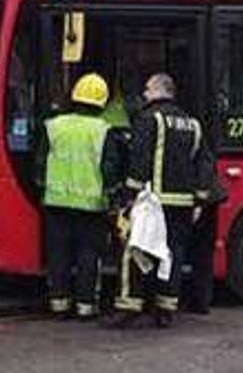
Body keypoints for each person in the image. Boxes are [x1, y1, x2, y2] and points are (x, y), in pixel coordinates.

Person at [113, 73, 212, 328]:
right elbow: (203, 164)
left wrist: (128, 196)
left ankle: (130, 306)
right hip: (183, 203)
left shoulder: (149, 119)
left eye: (147, 89)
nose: (144, 94)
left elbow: (140, 160)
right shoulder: (192, 124)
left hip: (152, 202)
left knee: (135, 249)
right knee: (172, 254)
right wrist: (199, 201)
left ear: (159, 90)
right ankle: (165, 308)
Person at [42, 73, 125, 320]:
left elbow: (39, 164)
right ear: (102, 102)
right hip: (91, 206)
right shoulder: (104, 131)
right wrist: (114, 196)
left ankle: (59, 305)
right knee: (88, 255)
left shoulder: (53, 126)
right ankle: (85, 306)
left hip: (56, 203)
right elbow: (111, 169)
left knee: (59, 254)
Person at [182, 145, 226, 315]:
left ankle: (197, 299)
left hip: (201, 197)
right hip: (207, 195)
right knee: (203, 253)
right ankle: (200, 300)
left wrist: (199, 201)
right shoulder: (201, 136)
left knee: (197, 250)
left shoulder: (197, 138)